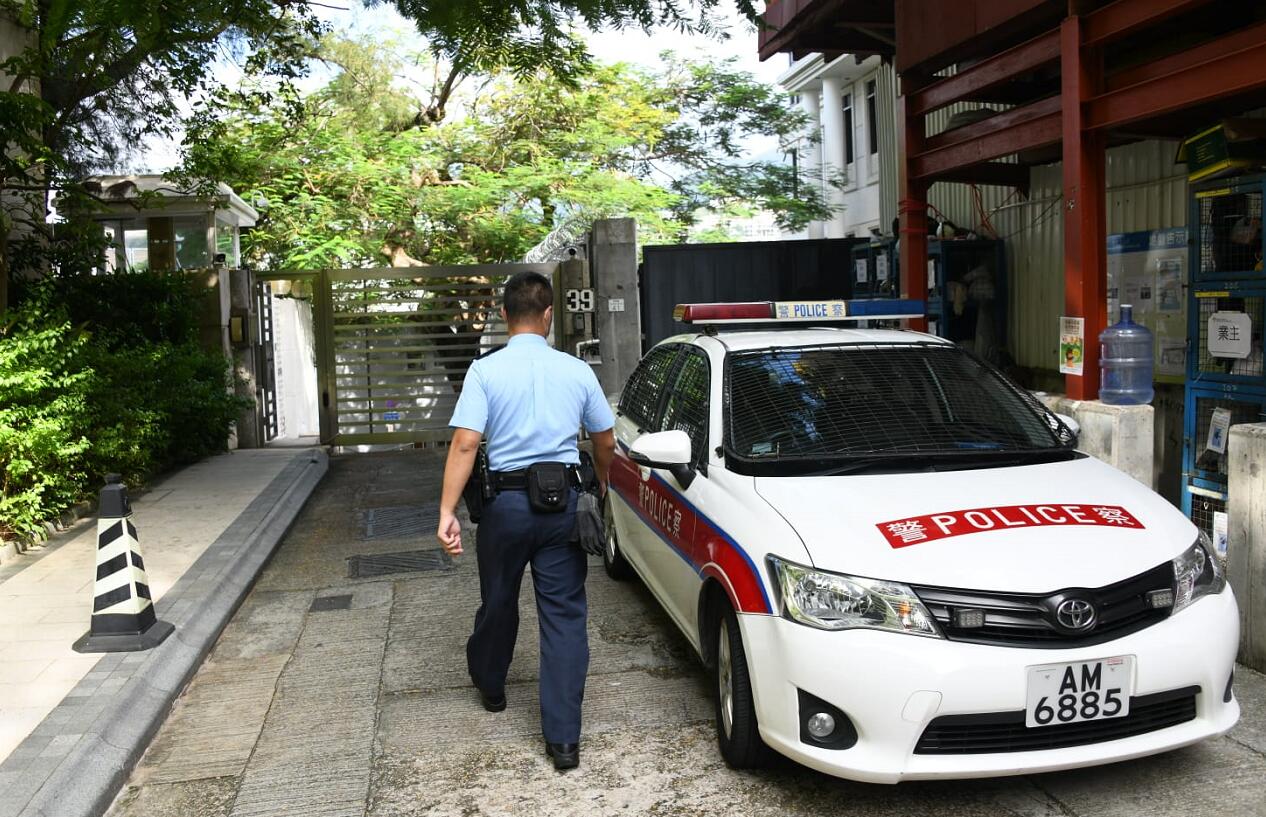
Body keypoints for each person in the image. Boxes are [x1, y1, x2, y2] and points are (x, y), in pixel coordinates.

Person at [436, 271, 615, 772]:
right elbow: (604, 440)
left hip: (506, 507)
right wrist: (602, 486)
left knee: (498, 600)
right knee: (564, 616)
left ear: (503, 315)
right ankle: (564, 741)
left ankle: (492, 686)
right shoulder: (576, 371)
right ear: (549, 315)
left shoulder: (484, 371)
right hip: (565, 509)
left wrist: (447, 510)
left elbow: (466, 443)